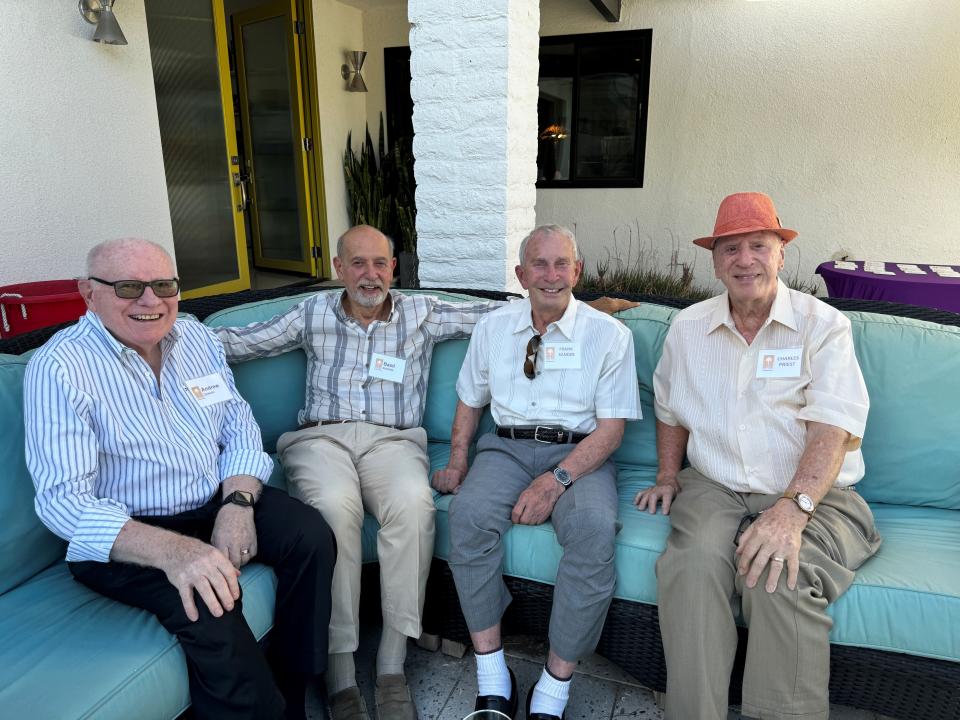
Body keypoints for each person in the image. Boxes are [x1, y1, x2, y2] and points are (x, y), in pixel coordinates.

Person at [24, 238, 336, 720]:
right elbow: (63, 502)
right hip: (129, 536)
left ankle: (295, 688)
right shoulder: (60, 367)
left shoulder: (193, 336)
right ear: (88, 292)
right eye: (129, 286)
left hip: (213, 499)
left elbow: (239, 426)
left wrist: (237, 502)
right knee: (210, 606)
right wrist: (178, 552)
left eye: (164, 284)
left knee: (311, 536)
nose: (151, 301)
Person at [213, 225, 500, 720]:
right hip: (320, 439)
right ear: (339, 269)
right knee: (332, 509)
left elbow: (504, 316)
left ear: (394, 269)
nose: (371, 275)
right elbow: (238, 343)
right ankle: (340, 674)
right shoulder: (311, 312)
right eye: (359, 263)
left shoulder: (422, 312)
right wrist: (156, 328)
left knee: (414, 504)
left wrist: (587, 309)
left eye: (380, 263)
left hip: (392, 441)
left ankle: (391, 665)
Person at [635, 193, 882, 720]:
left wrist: (793, 509)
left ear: (781, 254)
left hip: (815, 492)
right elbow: (670, 407)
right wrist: (665, 474)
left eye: (758, 246)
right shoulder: (688, 328)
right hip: (716, 484)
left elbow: (833, 429)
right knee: (693, 568)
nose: (744, 260)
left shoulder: (823, 325)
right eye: (730, 249)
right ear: (715, 260)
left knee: (777, 575)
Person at [434, 225, 641, 720]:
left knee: (592, 530)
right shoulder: (493, 328)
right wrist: (459, 460)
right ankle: (492, 676)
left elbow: (610, 431)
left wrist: (556, 481)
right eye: (540, 265)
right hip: (505, 449)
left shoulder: (609, 336)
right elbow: (469, 398)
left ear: (578, 271)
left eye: (562, 264)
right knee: (467, 516)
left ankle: (554, 685)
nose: (551, 276)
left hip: (580, 456)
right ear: (521, 273)